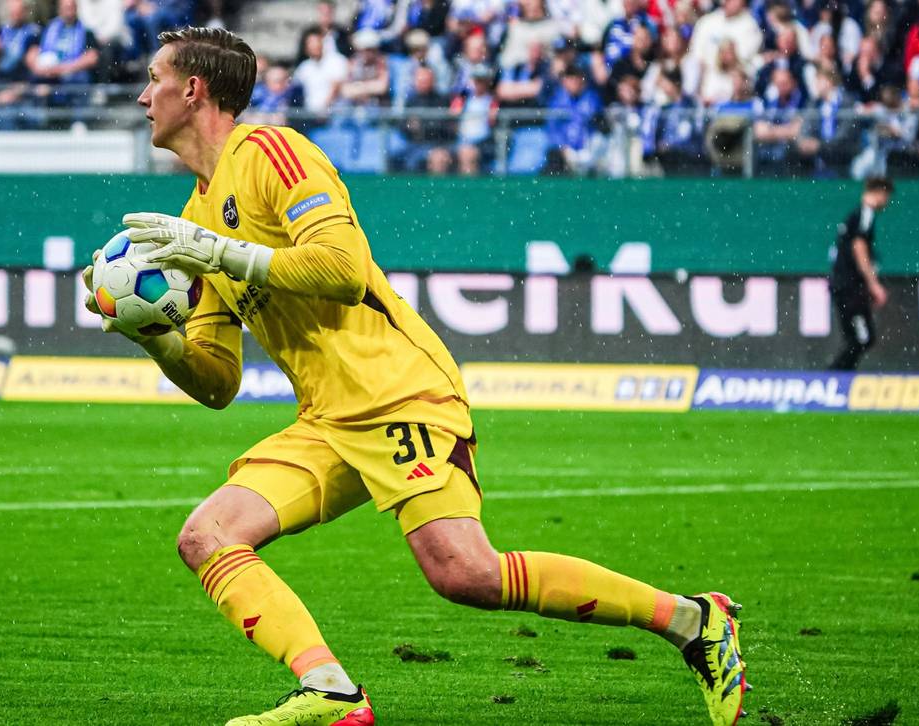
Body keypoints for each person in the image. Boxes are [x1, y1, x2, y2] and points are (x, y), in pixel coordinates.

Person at [85, 26, 749, 726]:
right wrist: (155, 337)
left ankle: (693, 620)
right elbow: (219, 382)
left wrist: (219, 250)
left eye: (154, 78)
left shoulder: (271, 153)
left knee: (464, 573)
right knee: (208, 535)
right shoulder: (192, 219)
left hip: (399, 392)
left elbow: (343, 270)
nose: (143, 95)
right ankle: (331, 693)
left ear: (193, 89)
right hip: (327, 419)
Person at [829, 176, 893, 371]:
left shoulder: (856, 214)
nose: (887, 202)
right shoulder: (866, 214)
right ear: (881, 192)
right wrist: (873, 284)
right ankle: (833, 376)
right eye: (887, 196)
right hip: (849, 287)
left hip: (845, 285)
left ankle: (837, 376)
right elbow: (859, 246)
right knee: (861, 339)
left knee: (857, 339)